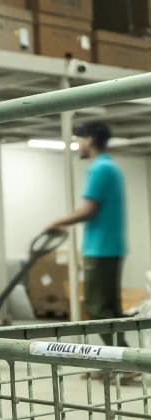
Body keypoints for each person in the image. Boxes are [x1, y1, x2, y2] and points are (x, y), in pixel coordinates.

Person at [46, 121, 136, 383]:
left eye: (79, 139)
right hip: (110, 247)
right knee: (110, 309)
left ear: (90, 140)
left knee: (97, 308)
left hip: (101, 249)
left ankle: (125, 362)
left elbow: (89, 210)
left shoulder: (100, 169)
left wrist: (56, 222)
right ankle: (120, 362)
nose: (77, 145)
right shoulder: (112, 168)